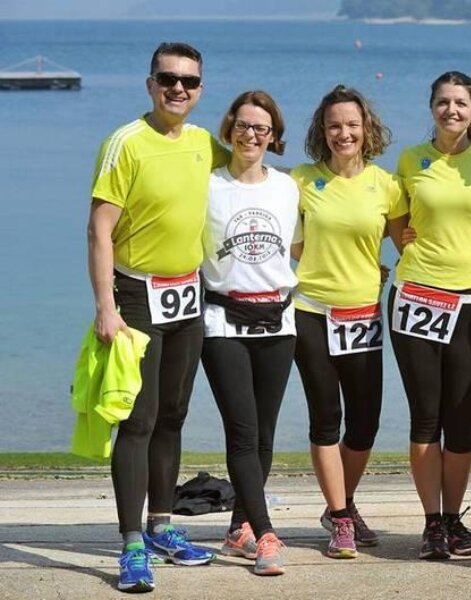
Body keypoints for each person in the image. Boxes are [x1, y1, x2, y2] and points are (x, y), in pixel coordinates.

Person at [87, 42, 228, 593]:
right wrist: (106, 306)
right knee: (138, 420)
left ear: (200, 89)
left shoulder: (202, 143)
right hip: (136, 296)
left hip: (188, 297)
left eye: (189, 81)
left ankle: (162, 527)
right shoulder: (125, 142)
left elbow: (251, 167)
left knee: (173, 415)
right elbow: (99, 229)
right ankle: (130, 545)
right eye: (168, 79)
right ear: (150, 84)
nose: (178, 89)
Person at [290, 85, 407, 560]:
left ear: (367, 128)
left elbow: (411, 244)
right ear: (322, 131)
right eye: (334, 125)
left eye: (352, 125)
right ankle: (341, 516)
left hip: (362, 315)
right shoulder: (300, 180)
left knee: (364, 423)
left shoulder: (386, 184)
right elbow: (286, 240)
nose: (344, 133)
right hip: (311, 312)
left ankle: (341, 502)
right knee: (325, 419)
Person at [391, 71, 471, 560]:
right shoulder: (411, 159)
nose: (451, 110)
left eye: (460, 103)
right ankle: (432, 523)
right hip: (416, 298)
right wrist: (409, 248)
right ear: (431, 107)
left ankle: (454, 518)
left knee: (462, 422)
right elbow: (396, 221)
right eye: (442, 102)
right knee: (425, 418)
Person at [200, 90, 300, 576]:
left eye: (261, 128)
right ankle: (265, 535)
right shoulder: (208, 185)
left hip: (279, 320)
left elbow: (304, 246)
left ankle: (238, 526)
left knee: (264, 436)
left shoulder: (288, 187)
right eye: (243, 125)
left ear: (273, 136)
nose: (251, 135)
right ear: (229, 128)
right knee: (242, 432)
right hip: (223, 322)